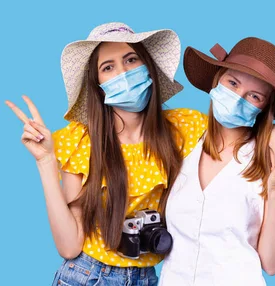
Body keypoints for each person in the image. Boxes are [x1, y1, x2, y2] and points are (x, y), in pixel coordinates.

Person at [5, 22, 207, 285]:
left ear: (148, 67)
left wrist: (272, 132)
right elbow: (69, 247)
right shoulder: (81, 142)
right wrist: (45, 162)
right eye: (108, 67)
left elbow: (237, 137)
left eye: (131, 59)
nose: (123, 72)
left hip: (148, 277)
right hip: (87, 275)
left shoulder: (183, 129)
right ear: (98, 85)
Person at [159, 37, 275, 285]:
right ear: (217, 80)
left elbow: (273, 264)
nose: (238, 97)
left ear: (265, 107)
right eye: (232, 83)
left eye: (254, 96)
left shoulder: (273, 162)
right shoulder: (184, 142)